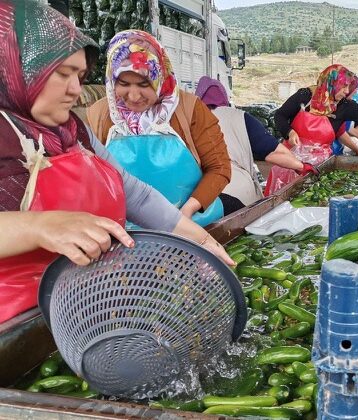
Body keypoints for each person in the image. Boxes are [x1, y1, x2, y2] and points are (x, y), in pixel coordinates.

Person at [0, 0, 233, 324]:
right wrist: (40, 227)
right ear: (14, 65)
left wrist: (198, 238)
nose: (75, 89)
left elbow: (135, 195)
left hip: (93, 309)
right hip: (17, 330)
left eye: (80, 75)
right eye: (62, 73)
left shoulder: (73, 130)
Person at [87, 30, 232, 220]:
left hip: (192, 223)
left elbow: (219, 168)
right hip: (126, 230)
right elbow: (90, 175)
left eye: (144, 84)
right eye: (123, 83)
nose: (133, 96)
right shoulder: (101, 114)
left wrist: (187, 212)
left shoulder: (189, 109)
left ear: (159, 78)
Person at [194, 76, 318, 211]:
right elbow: (273, 152)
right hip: (236, 195)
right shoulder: (238, 117)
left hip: (199, 197)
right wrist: (300, 166)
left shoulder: (190, 119)